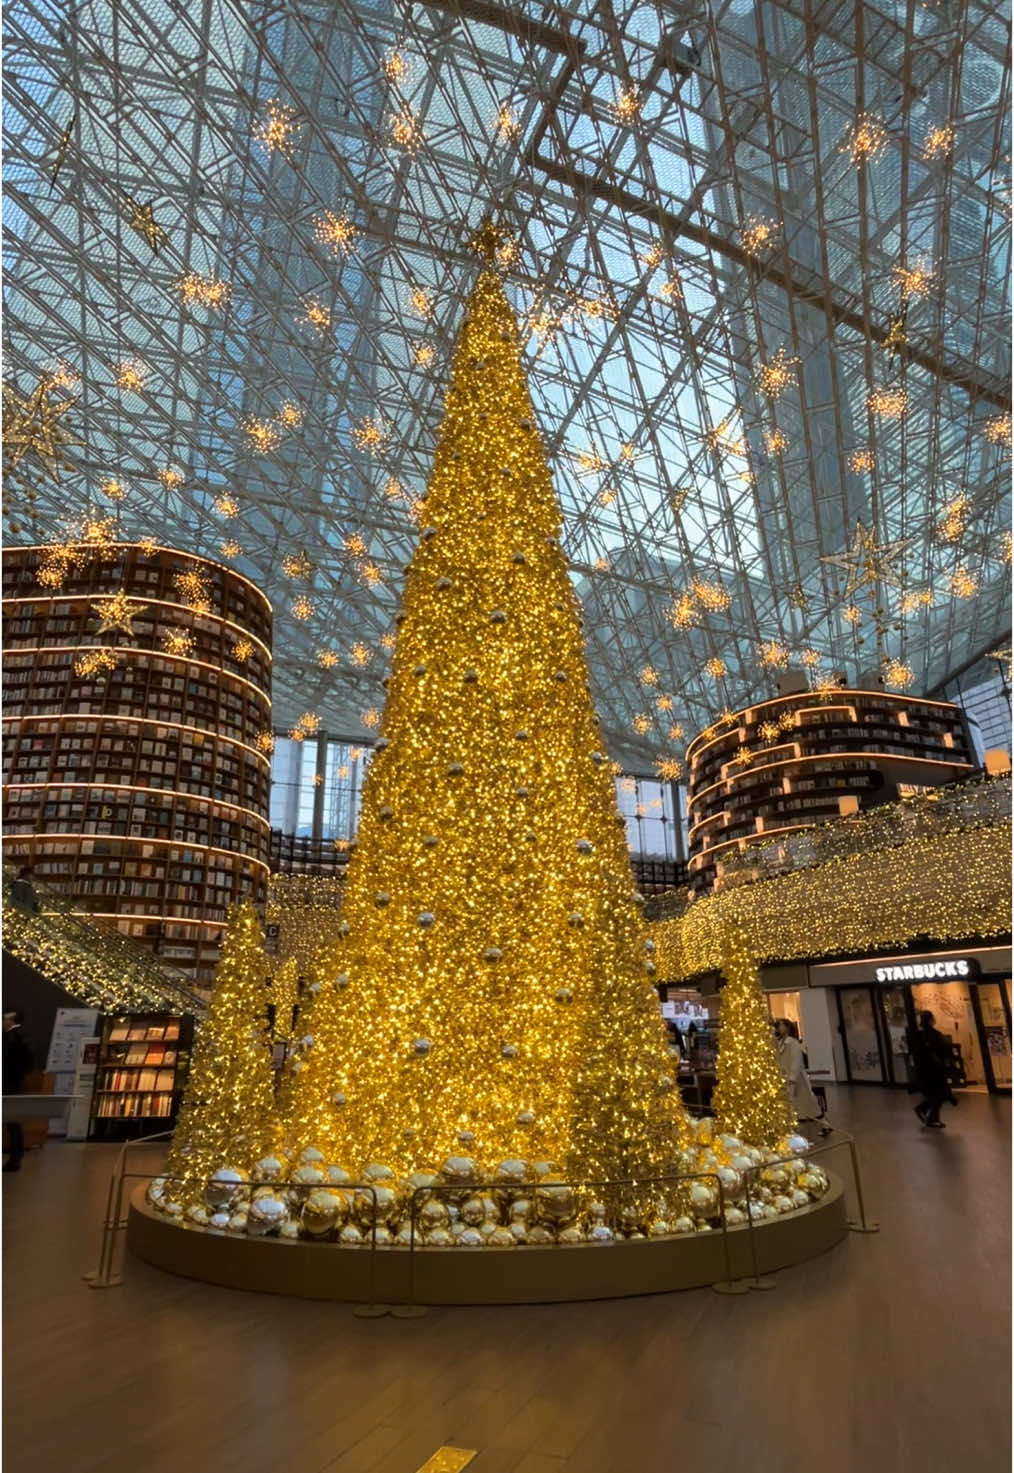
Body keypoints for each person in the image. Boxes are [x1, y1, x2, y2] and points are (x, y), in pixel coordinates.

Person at [774, 1018, 827, 1134]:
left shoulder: (793, 1043)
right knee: (796, 1104)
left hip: (797, 1079)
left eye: (782, 1025)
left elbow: (796, 1062)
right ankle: (797, 1127)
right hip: (787, 1078)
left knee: (809, 1103)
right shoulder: (780, 1043)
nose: (779, 1027)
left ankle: (825, 1125)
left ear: (787, 1028)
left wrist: (792, 1078)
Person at [909, 1010, 954, 1128]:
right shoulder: (933, 1034)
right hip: (934, 1070)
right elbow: (941, 1050)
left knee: (936, 1095)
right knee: (938, 1095)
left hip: (924, 1071)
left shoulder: (919, 1035)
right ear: (930, 1020)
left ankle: (931, 1118)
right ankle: (925, 1113)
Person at [3, 1010, 34, 1172]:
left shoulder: (12, 1037)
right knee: (14, 1124)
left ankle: (15, 1158)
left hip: (8, 1085)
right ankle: (16, 1158)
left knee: (12, 1124)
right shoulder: (23, 1037)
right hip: (15, 1085)